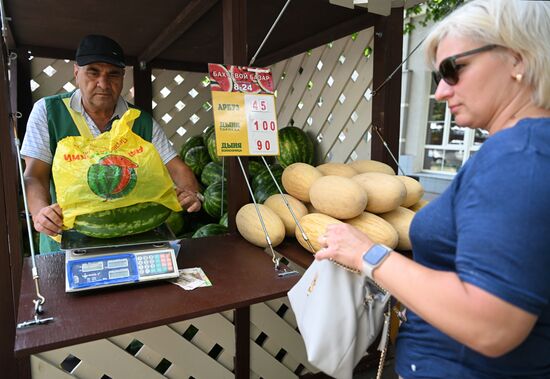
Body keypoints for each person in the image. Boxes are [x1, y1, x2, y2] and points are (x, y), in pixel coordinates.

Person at [315, 0, 550, 377]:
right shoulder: (530, 149)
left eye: (452, 69)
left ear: (519, 59)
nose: (440, 91)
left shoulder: (516, 156)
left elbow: (491, 324)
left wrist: (367, 255)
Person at [21, 34, 201, 253]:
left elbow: (177, 168)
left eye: (113, 74)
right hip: (66, 244)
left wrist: (190, 193)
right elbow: (34, 175)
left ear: (123, 77)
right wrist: (41, 212)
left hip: (134, 240)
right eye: (93, 72)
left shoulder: (139, 120)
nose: (103, 84)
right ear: (77, 72)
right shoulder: (48, 112)